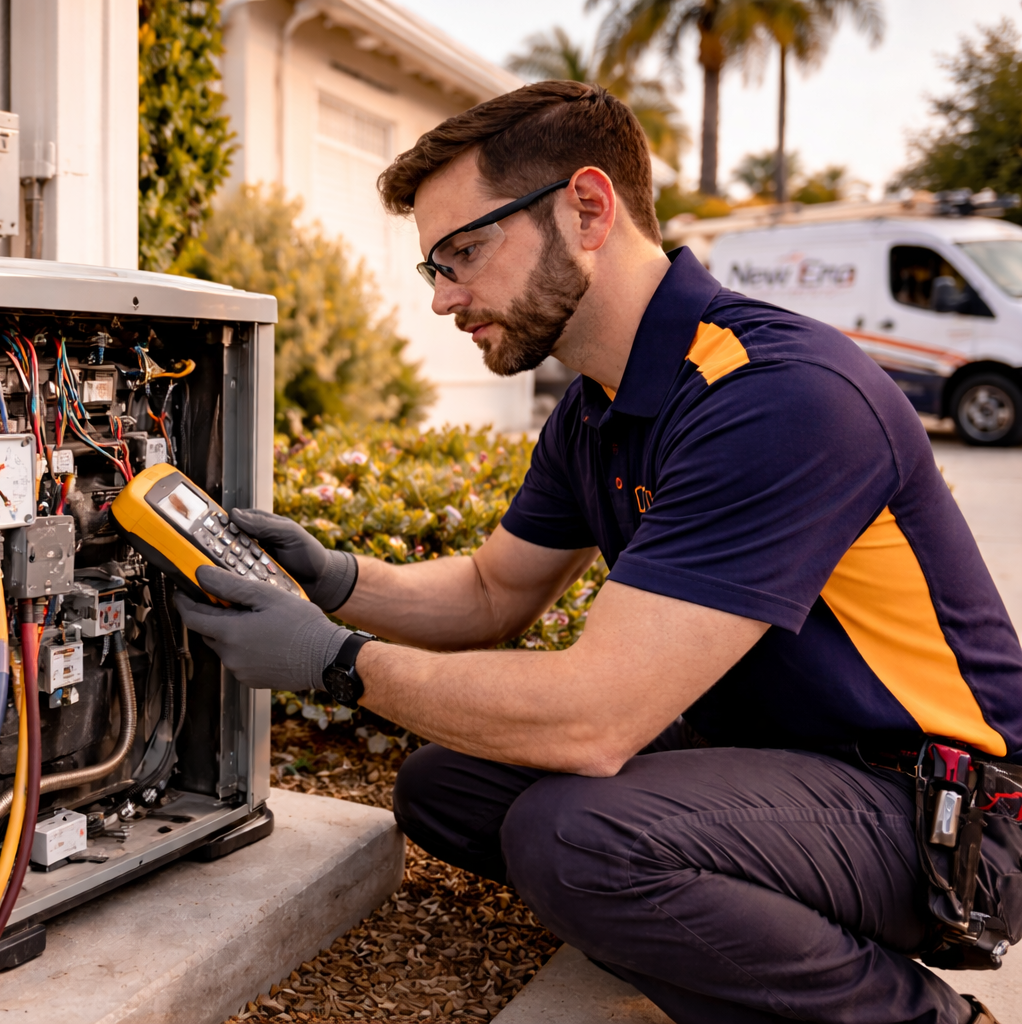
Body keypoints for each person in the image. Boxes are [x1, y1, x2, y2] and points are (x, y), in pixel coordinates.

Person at [174, 80, 1022, 1024]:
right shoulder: (597, 409)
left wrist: (334, 666)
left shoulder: (777, 395)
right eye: (434, 268)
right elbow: (495, 591)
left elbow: (594, 720)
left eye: (464, 251)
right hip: (787, 758)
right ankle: (726, 932)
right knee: (450, 787)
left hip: (951, 812)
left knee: (575, 837)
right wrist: (333, 581)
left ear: (587, 208)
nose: (446, 297)